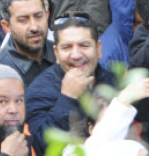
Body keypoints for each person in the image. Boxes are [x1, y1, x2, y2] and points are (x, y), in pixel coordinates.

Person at [25, 15, 113, 154]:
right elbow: (41, 148)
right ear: (56, 53)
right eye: (67, 47)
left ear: (99, 49)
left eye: (84, 45)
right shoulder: (38, 92)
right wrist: (67, 99)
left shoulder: (114, 82)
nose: (76, 55)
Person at [0, 0, 53, 85]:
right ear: (6, 26)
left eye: (38, 16)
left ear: (47, 15)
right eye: (23, 20)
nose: (34, 27)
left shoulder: (64, 54)